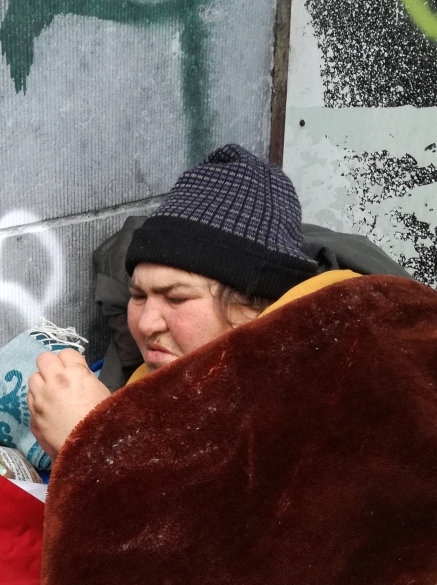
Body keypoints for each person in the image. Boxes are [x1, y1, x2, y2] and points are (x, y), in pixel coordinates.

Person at [27, 144, 328, 457]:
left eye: (176, 297)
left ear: (257, 308)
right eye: (138, 295)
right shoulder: (161, 384)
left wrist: (95, 446)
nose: (145, 323)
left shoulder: (315, 416)